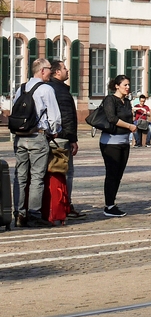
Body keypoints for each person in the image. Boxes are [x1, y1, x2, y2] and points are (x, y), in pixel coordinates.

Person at [12, 58, 62, 228]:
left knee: (20, 177)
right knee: (37, 177)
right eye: (49, 69)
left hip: (20, 136)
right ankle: (34, 214)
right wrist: (55, 130)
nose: (51, 71)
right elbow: (54, 116)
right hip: (37, 136)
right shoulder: (46, 89)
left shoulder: (21, 88)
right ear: (42, 70)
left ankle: (19, 213)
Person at [99, 75, 137, 217]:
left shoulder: (126, 102)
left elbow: (129, 117)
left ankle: (112, 203)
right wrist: (129, 126)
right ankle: (109, 205)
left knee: (119, 175)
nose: (127, 87)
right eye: (125, 85)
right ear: (117, 86)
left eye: (128, 85)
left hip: (124, 142)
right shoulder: (110, 100)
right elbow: (112, 118)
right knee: (112, 174)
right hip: (110, 142)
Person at [48, 60, 83, 219]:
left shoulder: (48, 87)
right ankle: (65, 204)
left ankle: (52, 205)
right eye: (64, 68)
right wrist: (73, 139)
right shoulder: (61, 91)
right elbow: (67, 117)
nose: (67, 70)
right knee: (67, 172)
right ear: (57, 72)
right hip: (61, 138)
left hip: (49, 136)